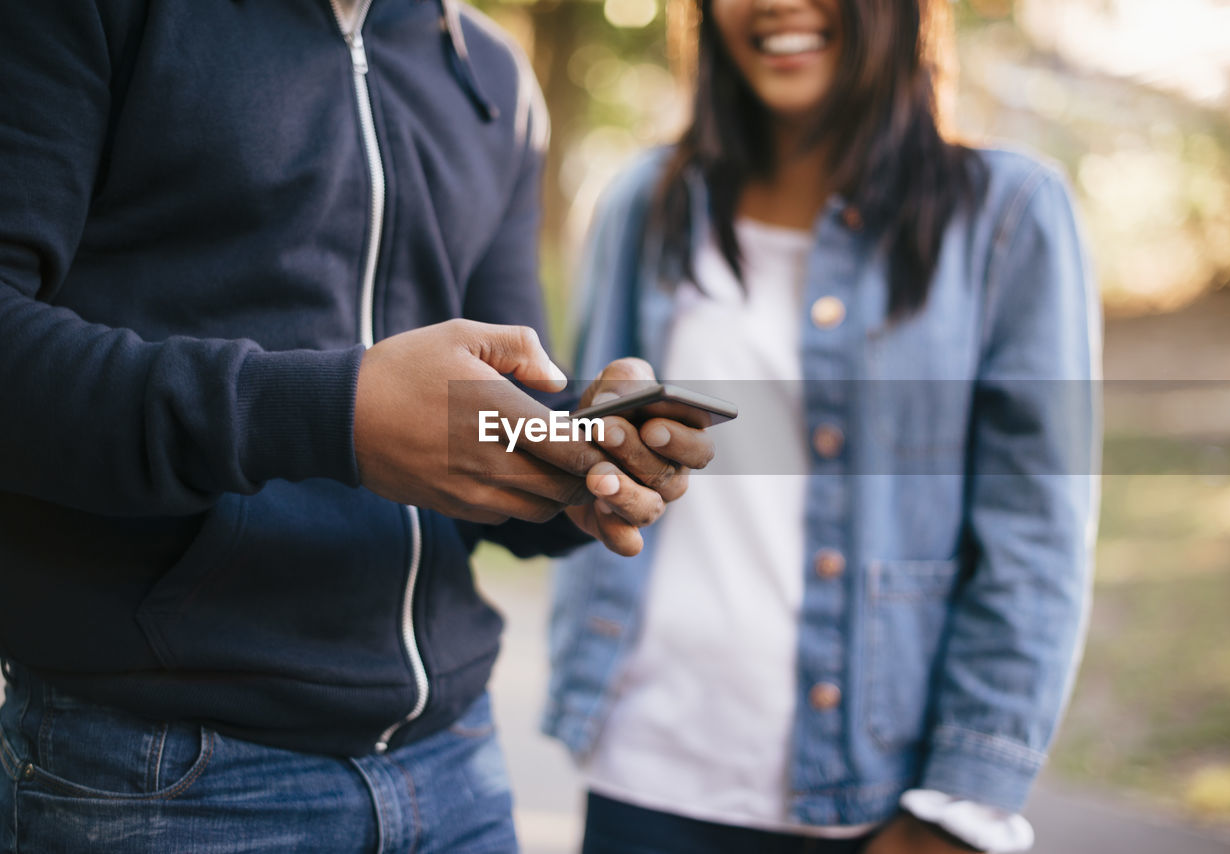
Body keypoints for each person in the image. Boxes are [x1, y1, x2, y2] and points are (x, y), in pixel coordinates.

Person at [0, 0, 712, 851]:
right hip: (164, 773)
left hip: (458, 768)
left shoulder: (492, 73)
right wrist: (331, 416)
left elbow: (502, 403)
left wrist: (588, 456)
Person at [544, 0, 1100, 850]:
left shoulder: (1010, 215)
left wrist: (962, 805)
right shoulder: (646, 202)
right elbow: (590, 464)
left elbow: (1036, 533)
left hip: (875, 799)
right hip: (643, 770)